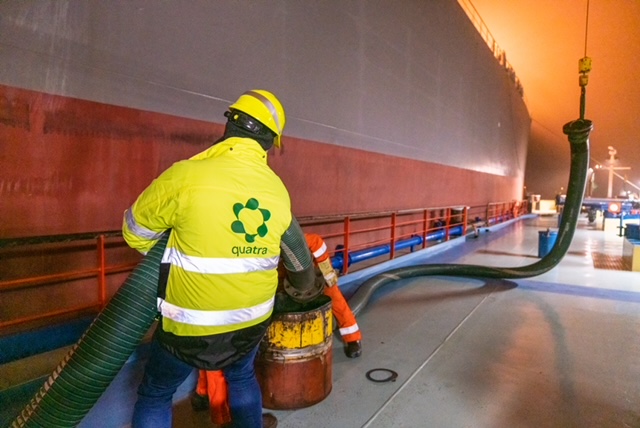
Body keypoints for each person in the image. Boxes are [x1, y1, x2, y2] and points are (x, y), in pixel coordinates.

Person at [123, 89, 323, 428]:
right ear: (270, 142)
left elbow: (135, 232)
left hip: (188, 324)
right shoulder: (276, 190)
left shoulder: (185, 175)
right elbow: (298, 259)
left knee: (156, 393)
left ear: (229, 125)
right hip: (250, 321)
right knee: (242, 377)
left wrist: (182, 249)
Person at [190, 233, 362, 424]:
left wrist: (327, 272)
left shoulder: (299, 240)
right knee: (218, 357)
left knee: (335, 298)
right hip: (247, 293)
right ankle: (218, 410)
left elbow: (317, 245)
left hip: (310, 277)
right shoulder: (252, 248)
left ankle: (353, 338)